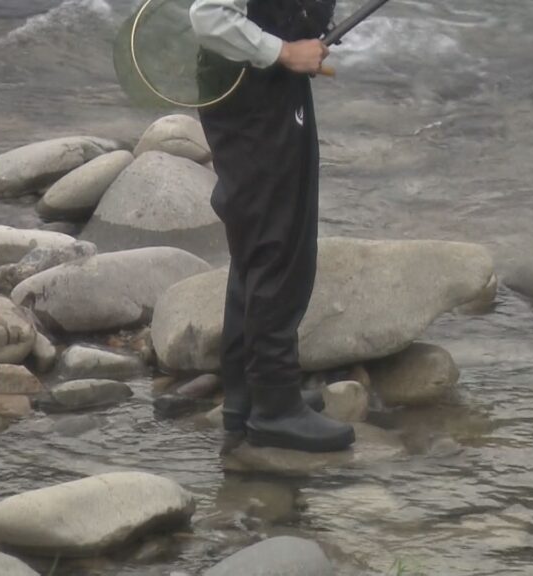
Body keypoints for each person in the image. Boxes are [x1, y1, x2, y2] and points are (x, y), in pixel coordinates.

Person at [189, 0, 355, 453]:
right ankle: (275, 409)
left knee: (259, 239)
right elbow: (208, 17)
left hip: (262, 88)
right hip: (252, 96)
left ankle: (247, 394)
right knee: (279, 244)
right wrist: (283, 52)